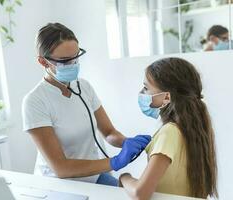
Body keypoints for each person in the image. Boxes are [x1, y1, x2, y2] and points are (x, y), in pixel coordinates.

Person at [22, 22, 151, 186]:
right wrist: (115, 161)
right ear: (43, 62)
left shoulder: (84, 87)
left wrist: (128, 143)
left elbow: (109, 132)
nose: (73, 64)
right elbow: (61, 168)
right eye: (64, 60)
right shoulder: (35, 101)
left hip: (93, 176)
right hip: (58, 183)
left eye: (75, 57)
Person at [119, 57, 218, 199]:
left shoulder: (169, 132)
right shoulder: (194, 128)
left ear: (166, 96)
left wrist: (124, 177)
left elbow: (140, 193)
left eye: (146, 88)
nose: (142, 93)